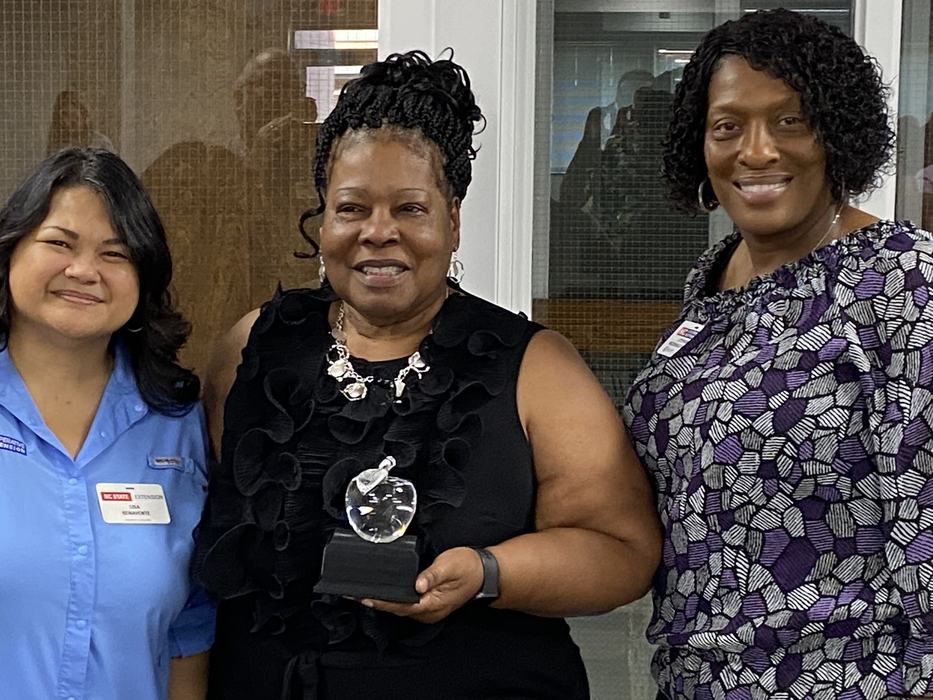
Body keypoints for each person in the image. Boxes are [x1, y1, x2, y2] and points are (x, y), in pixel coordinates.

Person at [194, 50, 661, 698]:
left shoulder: (531, 368)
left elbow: (621, 552)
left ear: (452, 220)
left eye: (409, 209)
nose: (377, 233)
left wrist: (487, 570)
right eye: (351, 208)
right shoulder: (253, 351)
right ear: (323, 218)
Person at [622, 9, 933, 700]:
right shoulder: (713, 277)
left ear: (836, 133)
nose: (755, 151)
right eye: (726, 126)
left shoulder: (900, 279)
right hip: (695, 678)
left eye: (789, 121)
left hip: (849, 681)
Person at [0, 148, 214, 699]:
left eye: (115, 254)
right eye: (59, 243)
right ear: (10, 251)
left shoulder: (176, 421)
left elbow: (188, 626)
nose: (84, 271)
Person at [46, 90, 115, 155]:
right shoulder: (57, 146)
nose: (72, 120)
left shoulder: (101, 142)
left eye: (74, 115)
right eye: (66, 115)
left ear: (83, 114)